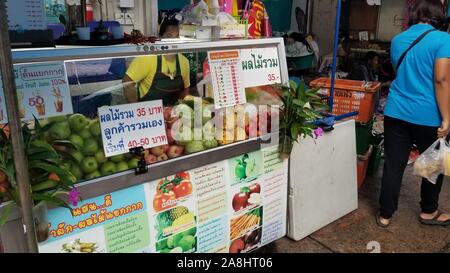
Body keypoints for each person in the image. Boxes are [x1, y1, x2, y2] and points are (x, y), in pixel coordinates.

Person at [377, 0, 450, 227]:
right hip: (427, 114)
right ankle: (428, 212)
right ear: (439, 16)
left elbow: (402, 71)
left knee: (393, 164)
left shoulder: (399, 39)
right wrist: (447, 117)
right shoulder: (443, 39)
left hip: (396, 110)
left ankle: (385, 215)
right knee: (434, 163)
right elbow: (441, 79)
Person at [122, 18, 190, 105]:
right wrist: (137, 111)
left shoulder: (184, 62)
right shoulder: (147, 58)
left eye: (177, 37)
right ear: (160, 37)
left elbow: (185, 91)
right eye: (169, 36)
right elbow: (127, 83)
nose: (174, 41)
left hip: (171, 115)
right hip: (149, 115)